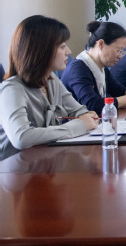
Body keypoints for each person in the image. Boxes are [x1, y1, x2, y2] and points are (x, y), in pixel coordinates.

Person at [0, 15, 99, 153]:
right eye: (62, 46)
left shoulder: (51, 80)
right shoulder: (12, 89)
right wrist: (79, 126)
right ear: (41, 50)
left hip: (45, 159)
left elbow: (78, 111)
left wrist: (88, 116)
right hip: (16, 164)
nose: (69, 52)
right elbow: (21, 138)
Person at [61, 21, 126, 114]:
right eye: (118, 50)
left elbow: (119, 91)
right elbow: (92, 104)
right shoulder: (78, 69)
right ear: (101, 44)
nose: (120, 56)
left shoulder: (101, 66)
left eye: (122, 52)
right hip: (76, 121)